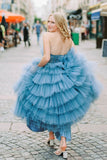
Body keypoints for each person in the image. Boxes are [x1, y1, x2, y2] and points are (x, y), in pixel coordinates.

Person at [14, 12, 101, 158]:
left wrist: (35, 67)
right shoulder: (67, 37)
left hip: (47, 75)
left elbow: (46, 57)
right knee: (62, 111)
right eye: (48, 21)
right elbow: (75, 57)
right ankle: (57, 139)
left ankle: (56, 139)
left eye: (52, 22)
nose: (49, 25)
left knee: (48, 108)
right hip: (64, 75)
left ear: (59, 23)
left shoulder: (46, 36)